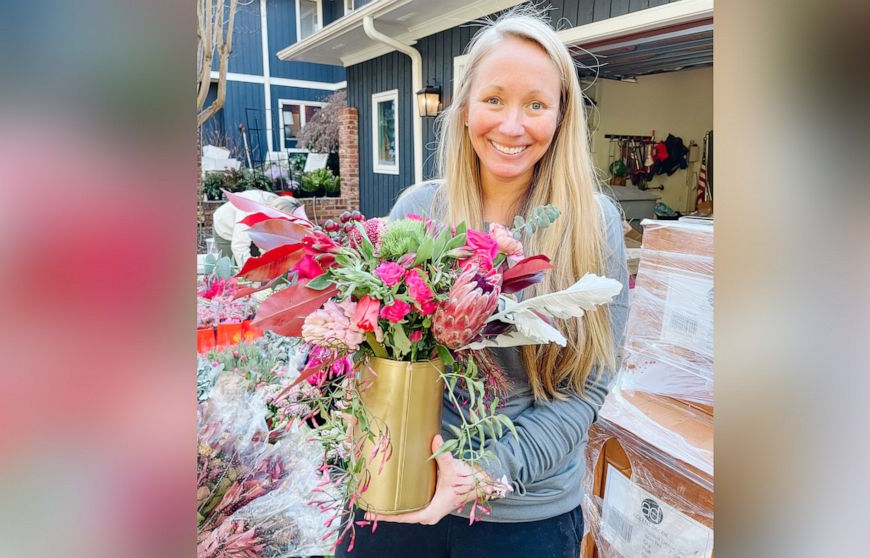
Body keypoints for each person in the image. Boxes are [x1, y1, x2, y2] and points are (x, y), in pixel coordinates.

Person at [339, 9, 630, 558]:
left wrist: (481, 470)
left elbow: (587, 389)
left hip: (524, 518)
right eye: (494, 99)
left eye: (536, 104)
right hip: (399, 491)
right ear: (465, 106)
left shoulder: (593, 225)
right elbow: (372, 357)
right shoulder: (417, 211)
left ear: (562, 116)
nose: (512, 126)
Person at [211, 188, 299, 268]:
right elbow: (239, 246)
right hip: (226, 228)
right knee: (231, 270)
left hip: (252, 230)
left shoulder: (282, 204)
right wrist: (251, 272)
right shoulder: (250, 210)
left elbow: (268, 244)